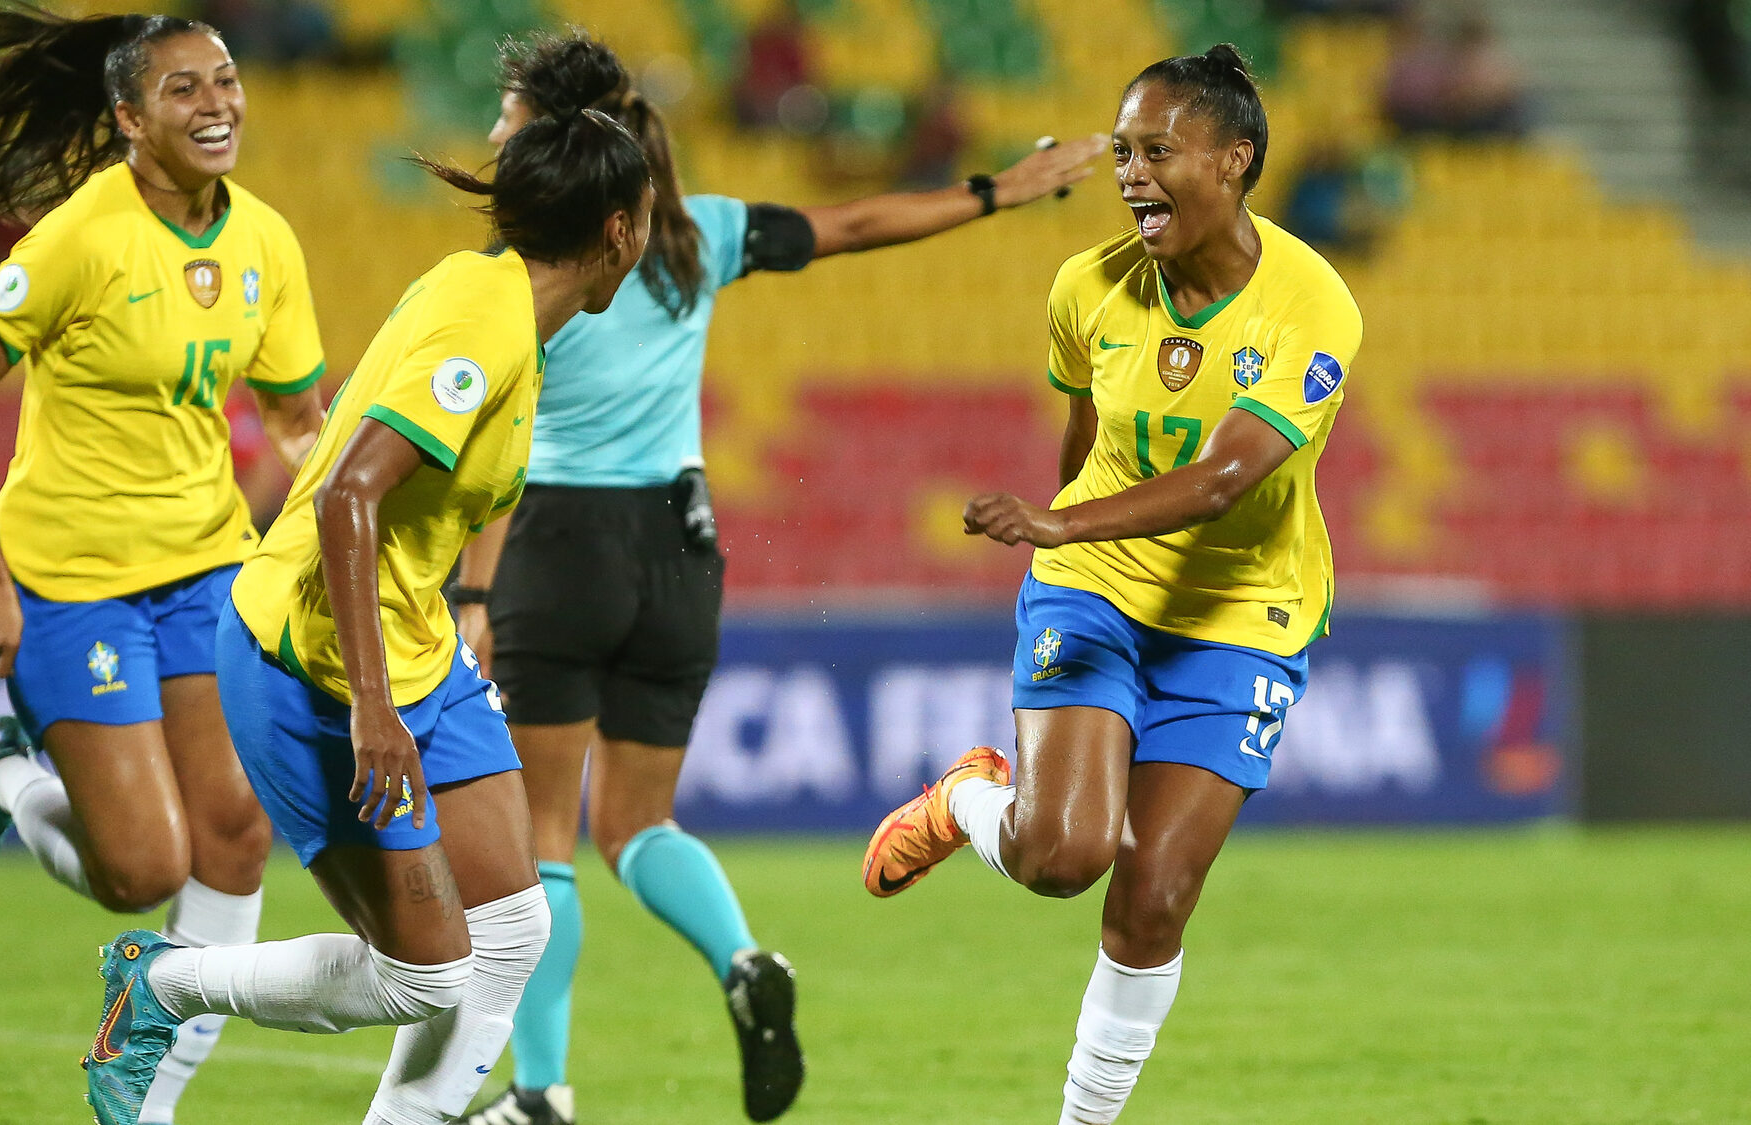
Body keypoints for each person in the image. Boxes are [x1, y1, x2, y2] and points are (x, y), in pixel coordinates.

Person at [454, 31, 1103, 1125]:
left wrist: (473, 593)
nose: (491, 135)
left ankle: (540, 1091)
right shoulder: (697, 233)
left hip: (560, 541)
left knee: (539, 840)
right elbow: (851, 226)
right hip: (680, 541)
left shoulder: (524, 272)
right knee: (640, 825)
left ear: (552, 133)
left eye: (506, 115)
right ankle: (745, 961)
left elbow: (501, 446)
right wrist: (998, 190)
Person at [76, 102, 655, 1125]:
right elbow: (348, 494)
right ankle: (164, 984)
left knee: (512, 928)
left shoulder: (497, 302)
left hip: (411, 645)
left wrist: (451, 621)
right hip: (316, 666)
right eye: (650, 213)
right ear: (618, 231)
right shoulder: (485, 324)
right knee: (423, 977)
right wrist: (374, 708)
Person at [861, 45, 1363, 1124]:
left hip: (1240, 618)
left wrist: (1054, 521)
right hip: (1095, 586)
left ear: (1232, 161)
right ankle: (964, 799)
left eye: (1157, 151)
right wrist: (1062, 547)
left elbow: (1227, 478)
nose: (1129, 174)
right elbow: (1082, 438)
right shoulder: (1085, 286)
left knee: (1152, 903)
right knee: (1059, 858)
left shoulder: (1310, 303)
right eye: (1122, 152)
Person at [0, 11, 327, 1122]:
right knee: (137, 870)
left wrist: (343, 507)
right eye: (183, 89)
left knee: (233, 834)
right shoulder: (82, 236)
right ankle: (6, 775)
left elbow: (294, 417)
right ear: (129, 119)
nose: (217, 102)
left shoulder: (265, 239)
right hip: (68, 581)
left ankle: (148, 1095)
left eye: (224, 79)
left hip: (206, 571)